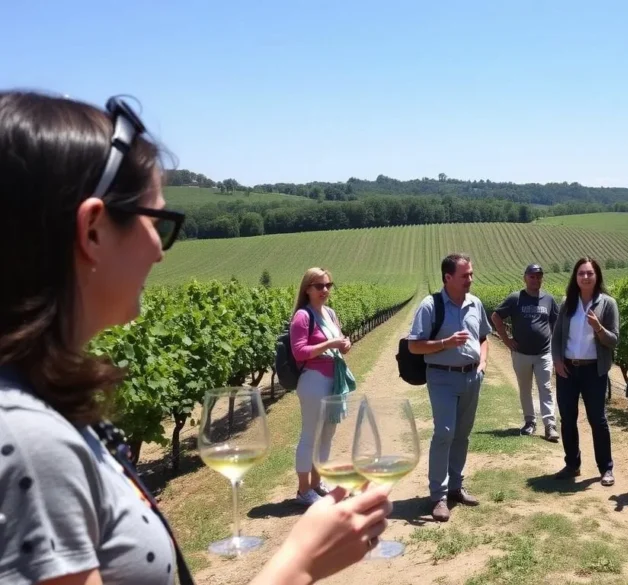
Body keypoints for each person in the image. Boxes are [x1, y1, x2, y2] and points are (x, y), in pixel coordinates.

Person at [0, 91, 391, 585]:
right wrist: (299, 564)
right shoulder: (28, 443)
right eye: (159, 223)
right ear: (94, 230)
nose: (162, 254)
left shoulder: (37, 407)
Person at [407, 254, 491, 522]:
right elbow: (414, 345)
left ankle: (456, 487)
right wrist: (445, 343)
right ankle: (438, 496)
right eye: (465, 275)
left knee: (462, 434)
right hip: (442, 377)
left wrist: (483, 363)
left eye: (471, 274)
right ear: (448, 278)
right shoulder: (430, 306)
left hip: (471, 377)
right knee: (444, 433)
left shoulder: (475, 303)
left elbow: (484, 337)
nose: (470, 279)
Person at [551, 257, 620, 486]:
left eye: (590, 273)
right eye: (582, 273)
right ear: (576, 277)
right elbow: (557, 337)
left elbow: (613, 340)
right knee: (568, 419)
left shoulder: (607, 304)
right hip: (568, 369)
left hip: (594, 370)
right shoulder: (567, 303)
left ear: (597, 276)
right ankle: (572, 464)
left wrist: (599, 328)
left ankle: (606, 468)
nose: (586, 277)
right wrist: (558, 361)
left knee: (597, 420)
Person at [290, 267, 354, 506]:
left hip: (333, 380)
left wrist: (344, 344)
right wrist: (331, 343)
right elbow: (299, 352)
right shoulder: (303, 317)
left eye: (328, 285)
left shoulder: (330, 313)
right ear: (307, 289)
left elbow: (338, 344)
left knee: (327, 434)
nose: (325, 290)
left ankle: (317, 483)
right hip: (314, 380)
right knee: (310, 435)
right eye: (319, 286)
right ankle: (303, 490)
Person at [490, 263, 560, 442]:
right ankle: (530, 422)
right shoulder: (516, 298)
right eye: (532, 276)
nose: (535, 279)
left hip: (544, 353)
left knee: (545, 387)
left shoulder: (549, 299)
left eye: (538, 276)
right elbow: (496, 316)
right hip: (521, 353)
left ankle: (550, 425)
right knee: (525, 388)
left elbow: (556, 323)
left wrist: (555, 344)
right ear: (525, 278)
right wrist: (506, 340)